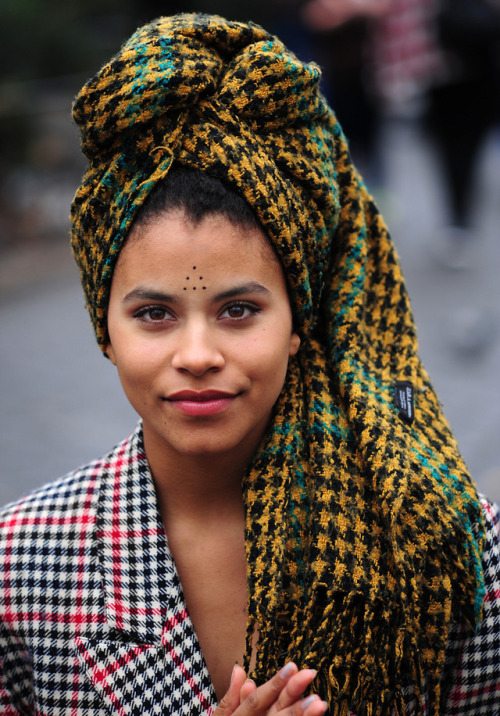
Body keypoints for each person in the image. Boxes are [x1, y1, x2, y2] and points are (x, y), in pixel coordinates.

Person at [0, 13, 499, 716]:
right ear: (101, 327)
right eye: (154, 314)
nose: (198, 356)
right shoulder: (22, 573)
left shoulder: (448, 546)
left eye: (239, 311)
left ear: (300, 322)